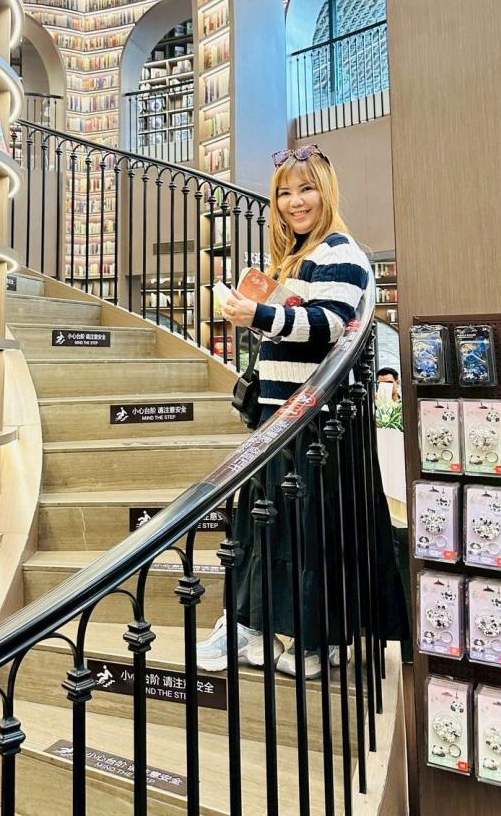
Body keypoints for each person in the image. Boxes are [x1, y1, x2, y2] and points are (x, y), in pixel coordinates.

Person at [197, 144, 408, 678]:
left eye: (306, 188)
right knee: (285, 527)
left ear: (326, 191)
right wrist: (262, 315)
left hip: (313, 419)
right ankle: (279, 631)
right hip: (289, 416)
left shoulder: (338, 252)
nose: (295, 202)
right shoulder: (301, 255)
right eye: (285, 193)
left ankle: (303, 635)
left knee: (304, 530)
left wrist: (258, 314)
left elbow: (328, 324)